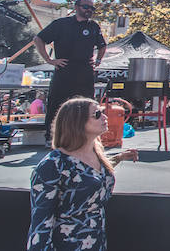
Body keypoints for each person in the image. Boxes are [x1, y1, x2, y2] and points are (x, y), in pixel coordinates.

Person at [27, 97, 138, 250]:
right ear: (76, 122)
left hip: (96, 243)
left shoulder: (96, 155)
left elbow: (90, 176)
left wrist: (119, 158)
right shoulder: (53, 165)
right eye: (97, 114)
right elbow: (40, 222)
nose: (105, 117)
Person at [34, 0, 107, 147]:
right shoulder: (61, 24)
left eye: (92, 8)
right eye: (86, 7)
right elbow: (38, 39)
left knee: (88, 105)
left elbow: (102, 45)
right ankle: (51, 137)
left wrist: (98, 60)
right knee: (57, 103)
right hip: (64, 68)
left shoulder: (93, 26)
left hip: (85, 70)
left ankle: (86, 137)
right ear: (76, 7)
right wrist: (49, 60)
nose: (89, 10)